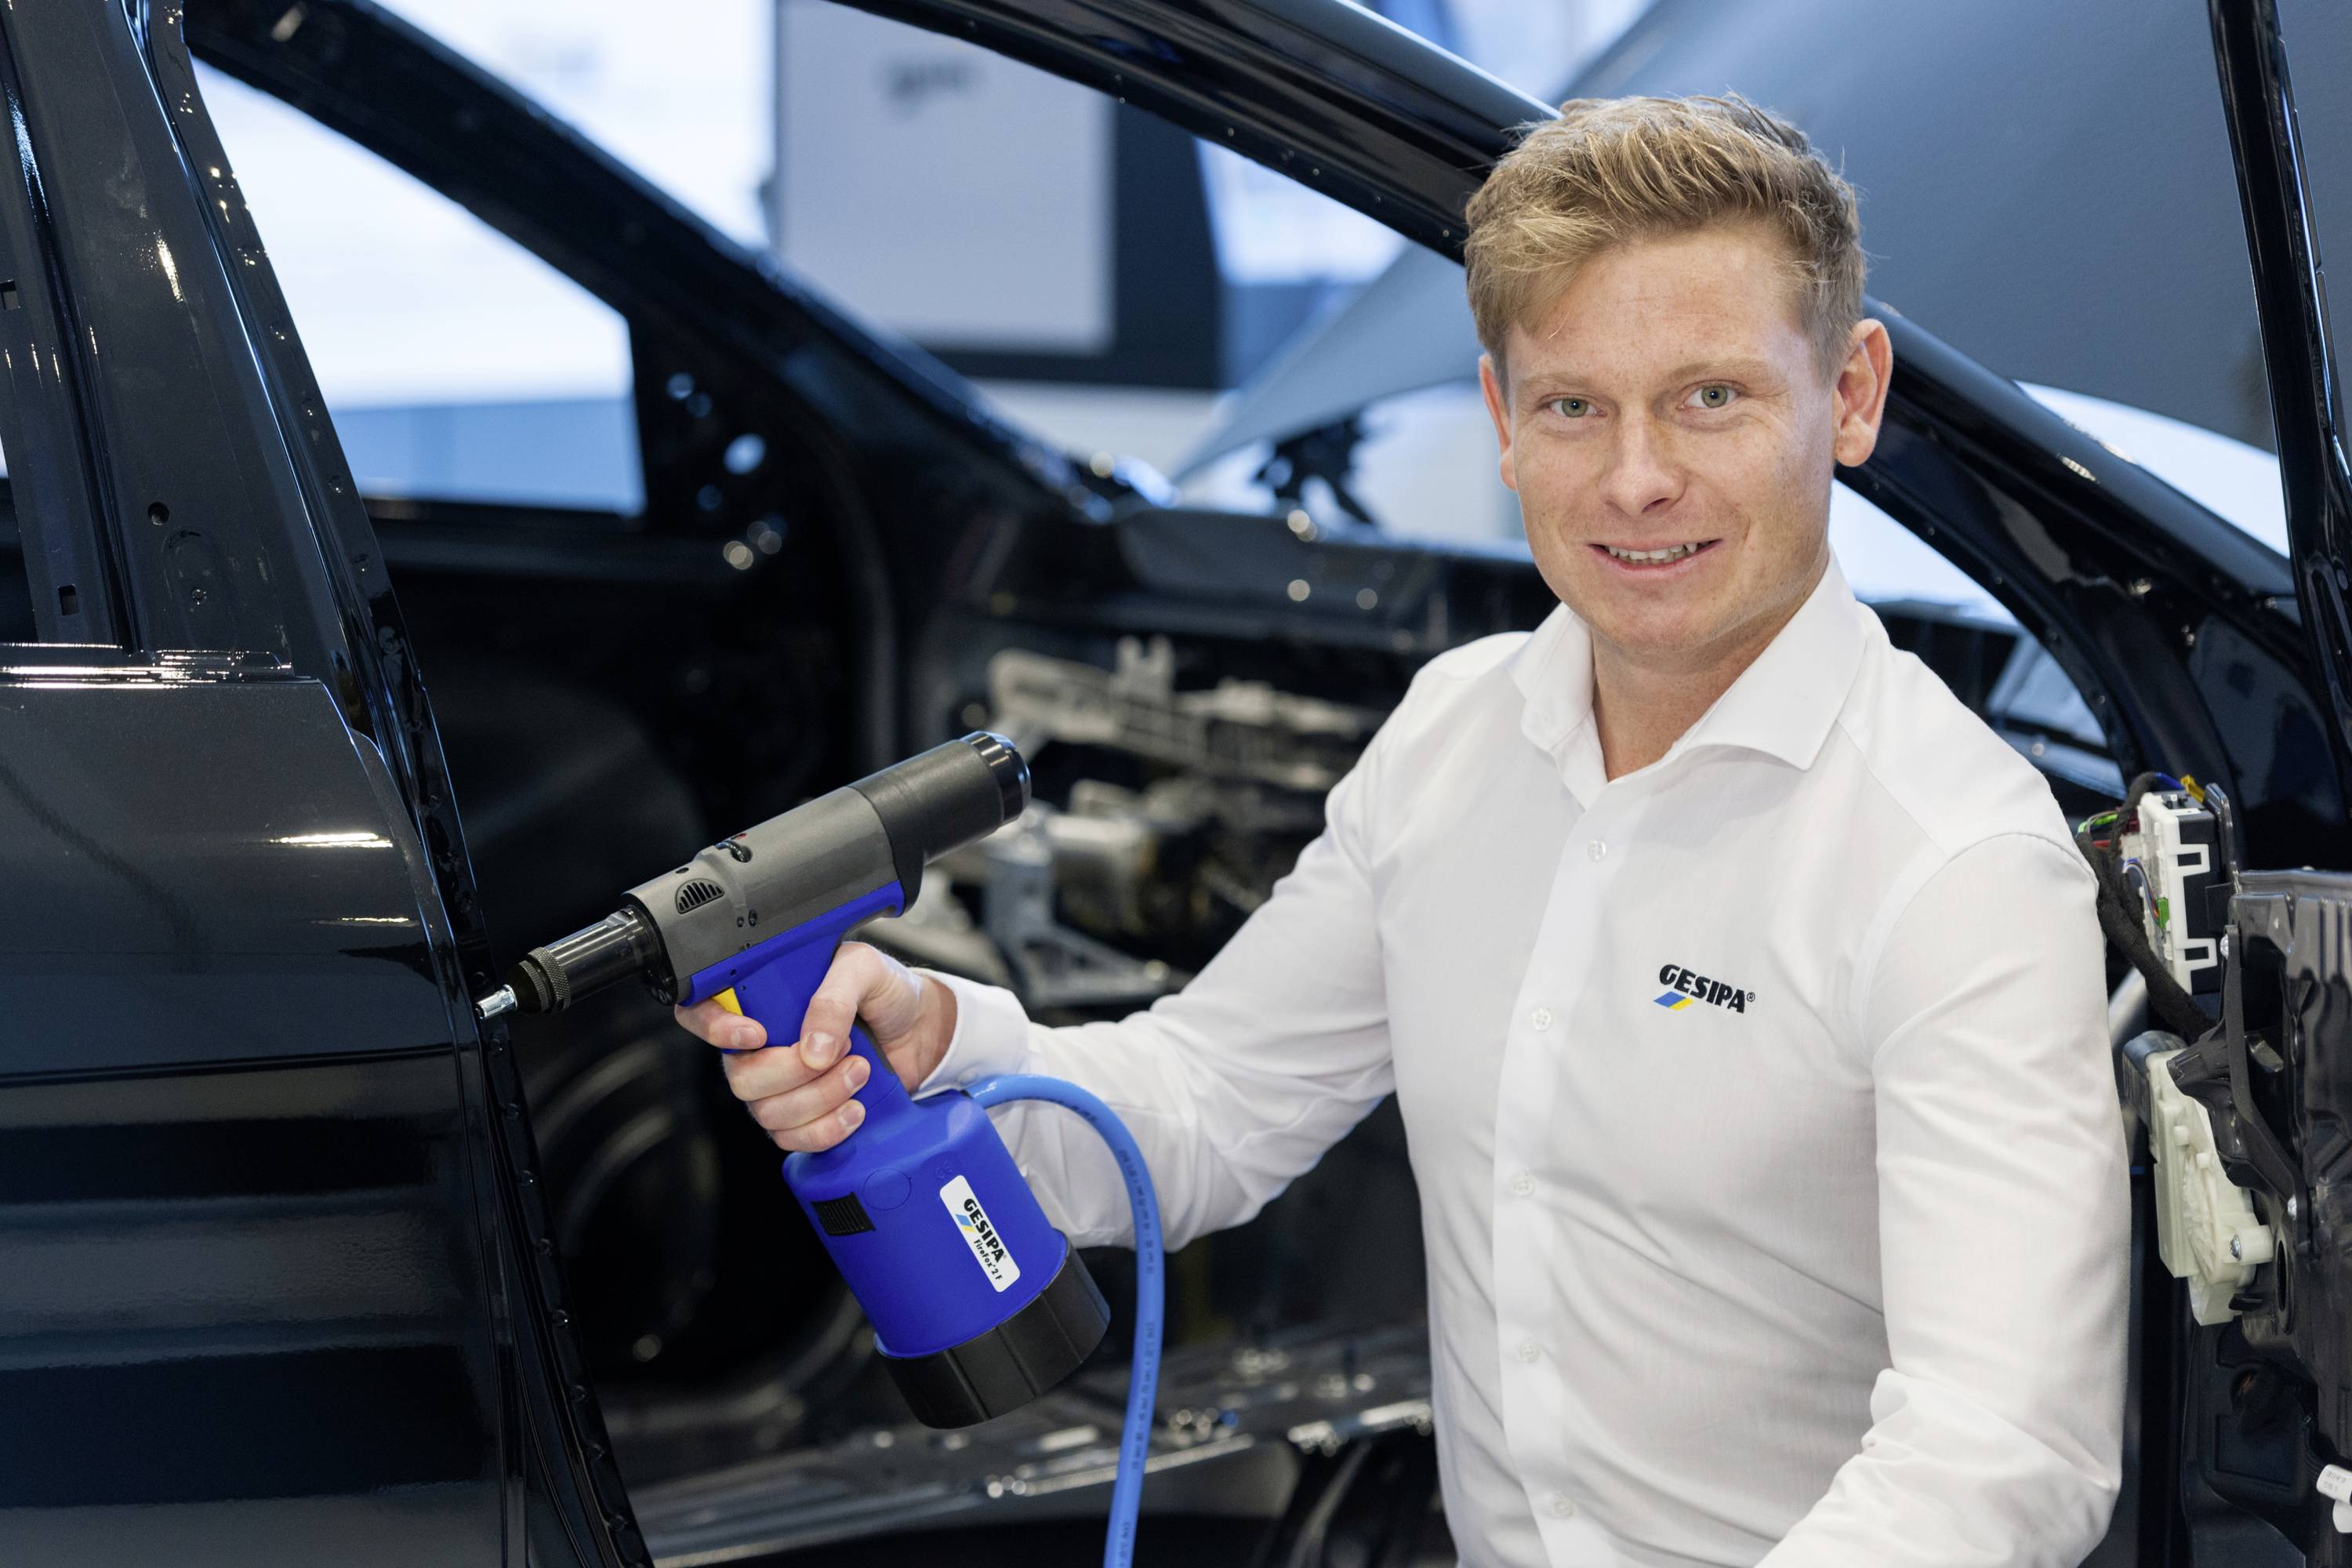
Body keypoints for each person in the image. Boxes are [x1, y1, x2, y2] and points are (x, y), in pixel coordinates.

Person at [675, 94, 2129, 1568]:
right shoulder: (1456, 733)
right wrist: (949, 1041)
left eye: (1711, 398)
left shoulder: (1956, 866)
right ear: (1502, 419)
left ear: (1853, 393)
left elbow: (2004, 1453)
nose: (1637, 479)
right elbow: (1208, 1104)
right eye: (1574, 406)